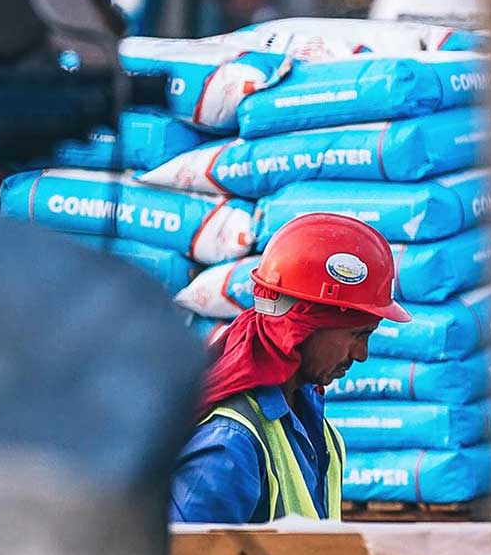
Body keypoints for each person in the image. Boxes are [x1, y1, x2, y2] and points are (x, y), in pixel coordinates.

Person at [170, 213, 410, 523]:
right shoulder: (231, 444)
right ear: (304, 326)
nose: (362, 354)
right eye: (357, 335)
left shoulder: (317, 430)